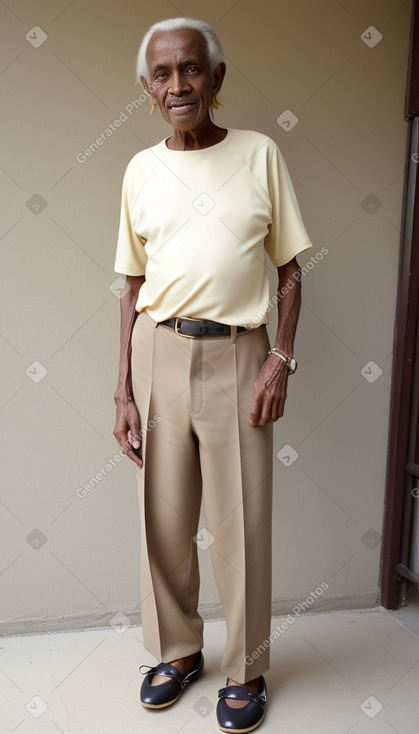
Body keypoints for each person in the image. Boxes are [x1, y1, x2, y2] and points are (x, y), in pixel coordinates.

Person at [113, 16, 312, 733]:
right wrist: (122, 389)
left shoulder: (259, 154)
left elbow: (290, 270)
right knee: (162, 522)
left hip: (240, 353)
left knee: (240, 525)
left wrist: (279, 359)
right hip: (157, 352)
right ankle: (177, 651)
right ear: (146, 87)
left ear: (216, 78)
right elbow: (132, 285)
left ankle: (246, 669)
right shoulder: (139, 169)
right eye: (162, 74)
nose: (177, 85)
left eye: (190, 69)